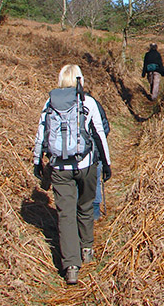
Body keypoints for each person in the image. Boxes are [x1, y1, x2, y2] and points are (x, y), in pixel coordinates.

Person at [32, 64, 112, 285]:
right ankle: (87, 247)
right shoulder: (88, 102)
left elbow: (41, 135)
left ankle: (71, 266)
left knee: (65, 215)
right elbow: (99, 135)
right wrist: (106, 164)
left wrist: (37, 162)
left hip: (59, 168)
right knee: (85, 206)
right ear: (80, 80)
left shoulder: (50, 103)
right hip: (85, 164)